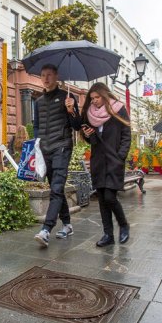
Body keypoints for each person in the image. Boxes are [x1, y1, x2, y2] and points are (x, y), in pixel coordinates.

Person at [33, 64, 82, 247]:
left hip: (62, 147)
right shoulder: (38, 102)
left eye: (49, 75)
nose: (46, 78)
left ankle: (46, 229)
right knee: (57, 188)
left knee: (56, 188)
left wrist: (72, 110)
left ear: (56, 77)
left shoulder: (67, 98)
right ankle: (68, 224)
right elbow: (36, 126)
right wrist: (37, 144)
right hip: (45, 150)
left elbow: (77, 125)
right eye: (43, 75)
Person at [80, 83, 131, 246]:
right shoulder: (90, 114)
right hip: (98, 161)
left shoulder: (118, 109)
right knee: (102, 199)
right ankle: (108, 235)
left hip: (114, 161)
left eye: (97, 97)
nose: (94, 101)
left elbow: (126, 135)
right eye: (92, 98)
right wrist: (88, 135)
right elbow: (92, 140)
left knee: (110, 196)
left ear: (104, 95)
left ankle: (123, 225)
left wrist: (120, 156)